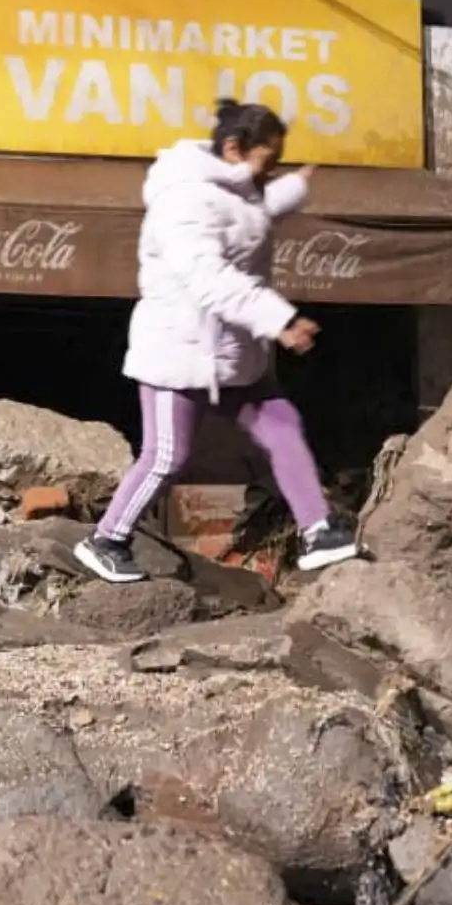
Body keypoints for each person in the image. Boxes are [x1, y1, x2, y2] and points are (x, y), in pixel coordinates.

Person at [74, 99, 362, 584]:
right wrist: (280, 320)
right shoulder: (184, 201)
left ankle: (318, 532)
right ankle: (105, 540)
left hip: (232, 356)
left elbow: (249, 218)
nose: (270, 171)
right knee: (167, 456)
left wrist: (297, 185)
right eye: (268, 160)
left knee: (282, 426)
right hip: (178, 351)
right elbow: (210, 277)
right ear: (233, 148)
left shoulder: (236, 191)